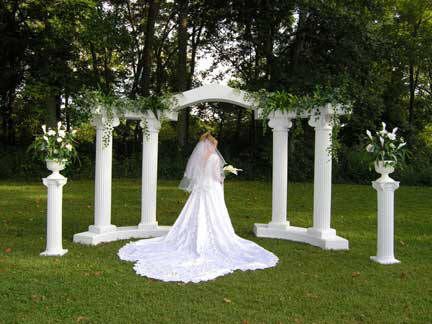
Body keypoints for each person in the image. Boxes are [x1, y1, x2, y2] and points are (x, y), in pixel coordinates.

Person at [118, 132, 278, 283]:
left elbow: (195, 174)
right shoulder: (215, 158)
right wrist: (225, 174)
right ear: (210, 145)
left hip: (201, 188)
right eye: (214, 145)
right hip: (212, 188)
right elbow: (217, 176)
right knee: (214, 212)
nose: (215, 148)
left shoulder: (199, 157)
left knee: (196, 211)